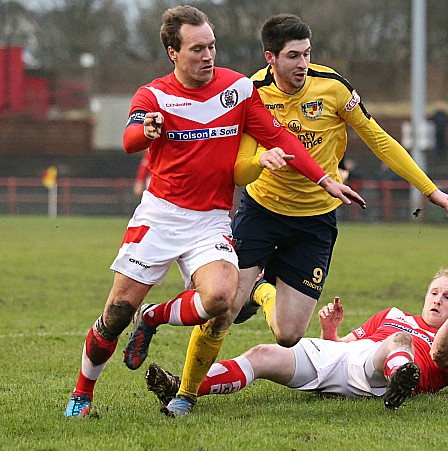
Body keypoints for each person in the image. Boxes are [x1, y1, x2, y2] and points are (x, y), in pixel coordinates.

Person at [65, 5, 364, 418]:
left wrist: (324, 179)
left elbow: (280, 137)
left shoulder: (237, 89)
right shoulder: (153, 95)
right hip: (161, 215)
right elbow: (130, 138)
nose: (208, 56)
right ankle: (82, 394)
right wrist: (147, 129)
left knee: (222, 300)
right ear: (173, 52)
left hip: (211, 220)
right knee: (116, 314)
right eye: (197, 49)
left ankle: (154, 321)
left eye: (212, 46)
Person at [160, 13, 448, 417]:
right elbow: (237, 165)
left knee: (289, 335)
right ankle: (185, 394)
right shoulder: (248, 92)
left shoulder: (334, 88)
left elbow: (379, 139)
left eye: (307, 53)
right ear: (271, 58)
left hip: (315, 222)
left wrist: (431, 190)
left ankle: (261, 291)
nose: (302, 63)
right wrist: (259, 162)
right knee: (223, 312)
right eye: (292, 56)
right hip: (261, 212)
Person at [145, 268, 448, 411]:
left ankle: (401, 378)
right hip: (348, 360)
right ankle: (183, 387)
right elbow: (346, 346)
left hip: (376, 377)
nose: (438, 300)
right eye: (435, 292)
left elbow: (441, 357)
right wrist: (330, 332)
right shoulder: (392, 313)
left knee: (399, 343)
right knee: (262, 354)